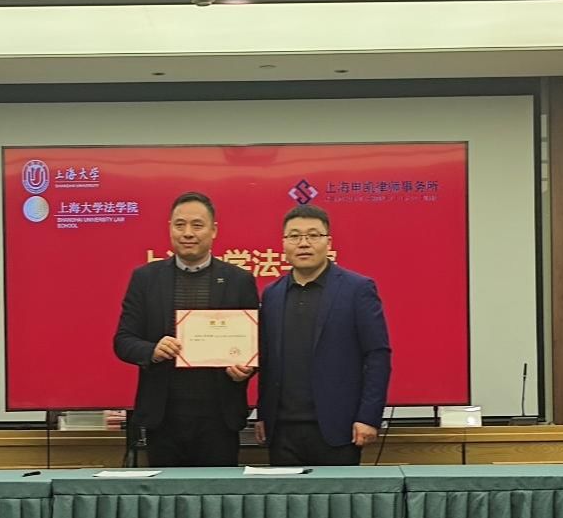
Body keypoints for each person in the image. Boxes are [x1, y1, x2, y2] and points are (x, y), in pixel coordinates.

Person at [114, 192, 258, 466]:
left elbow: (256, 343)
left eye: (197, 225)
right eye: (180, 225)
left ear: (214, 230)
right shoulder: (145, 278)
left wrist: (247, 368)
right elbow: (123, 340)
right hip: (164, 416)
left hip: (219, 417)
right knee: (166, 492)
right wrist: (152, 350)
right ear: (170, 228)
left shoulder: (239, 280)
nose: (188, 233)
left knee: (217, 491)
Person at [255, 204, 391, 466]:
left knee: (337, 495)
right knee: (283, 495)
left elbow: (377, 356)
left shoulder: (357, 289)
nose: (303, 243)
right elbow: (268, 361)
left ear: (328, 242)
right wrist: (263, 413)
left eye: (313, 235)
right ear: (283, 244)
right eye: (294, 236)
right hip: (281, 429)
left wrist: (368, 416)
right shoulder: (271, 294)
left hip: (339, 428)